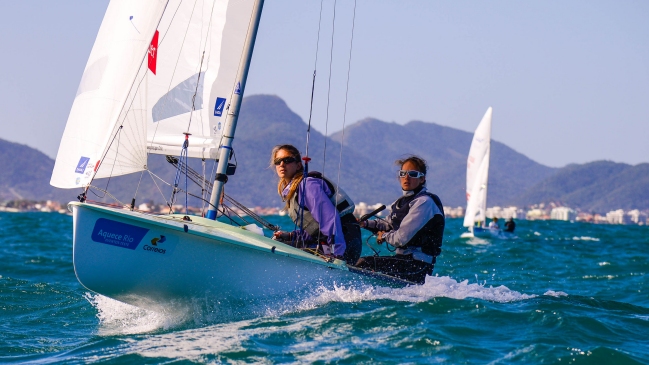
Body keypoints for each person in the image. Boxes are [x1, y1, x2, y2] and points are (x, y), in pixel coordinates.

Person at [355, 155, 445, 284]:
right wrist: (364, 223)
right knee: (362, 263)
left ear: (422, 179)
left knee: (363, 263)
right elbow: (387, 224)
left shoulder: (424, 202)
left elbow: (401, 238)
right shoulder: (400, 202)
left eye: (413, 174)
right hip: (402, 261)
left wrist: (384, 236)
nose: (406, 177)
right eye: (403, 173)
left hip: (418, 266)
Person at [270, 144, 362, 263]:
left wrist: (336, 255)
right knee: (281, 243)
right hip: (336, 243)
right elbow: (316, 231)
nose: (282, 164)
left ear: (298, 165)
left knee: (278, 251)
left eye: (287, 160)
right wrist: (291, 236)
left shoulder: (307, 185)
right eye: (278, 161)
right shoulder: (294, 190)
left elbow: (330, 220)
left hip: (344, 244)